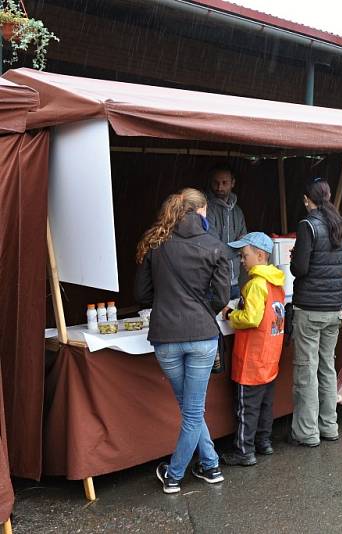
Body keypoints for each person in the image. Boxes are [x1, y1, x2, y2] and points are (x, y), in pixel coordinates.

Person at [134, 188, 230, 494]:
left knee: (189, 409)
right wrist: (203, 313)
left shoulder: (155, 243)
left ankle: (198, 468)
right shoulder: (215, 246)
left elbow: (142, 295)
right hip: (202, 335)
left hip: (166, 336)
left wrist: (167, 303)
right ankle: (191, 471)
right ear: (199, 211)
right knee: (192, 411)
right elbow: (223, 297)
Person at [289, 177, 342, 447]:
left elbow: (299, 269)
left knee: (306, 370)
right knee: (327, 369)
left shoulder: (308, 225)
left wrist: (294, 257)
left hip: (309, 309)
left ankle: (307, 432)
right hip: (333, 309)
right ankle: (329, 426)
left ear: (306, 199)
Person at [219, 232, 285, 466]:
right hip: (269, 356)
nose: (241, 260)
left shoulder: (256, 284)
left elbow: (251, 318)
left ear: (260, 255)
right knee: (265, 405)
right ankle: (263, 442)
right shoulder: (276, 283)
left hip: (252, 358)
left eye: (244, 255)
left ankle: (244, 451)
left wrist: (230, 314)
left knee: (247, 408)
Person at [206, 163, 248, 299]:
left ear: (233, 183)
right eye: (216, 183)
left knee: (233, 319)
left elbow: (245, 242)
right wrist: (237, 249)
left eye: (225, 183)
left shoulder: (238, 211)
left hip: (234, 281)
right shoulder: (206, 210)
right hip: (212, 283)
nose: (220, 187)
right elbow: (213, 249)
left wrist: (236, 248)